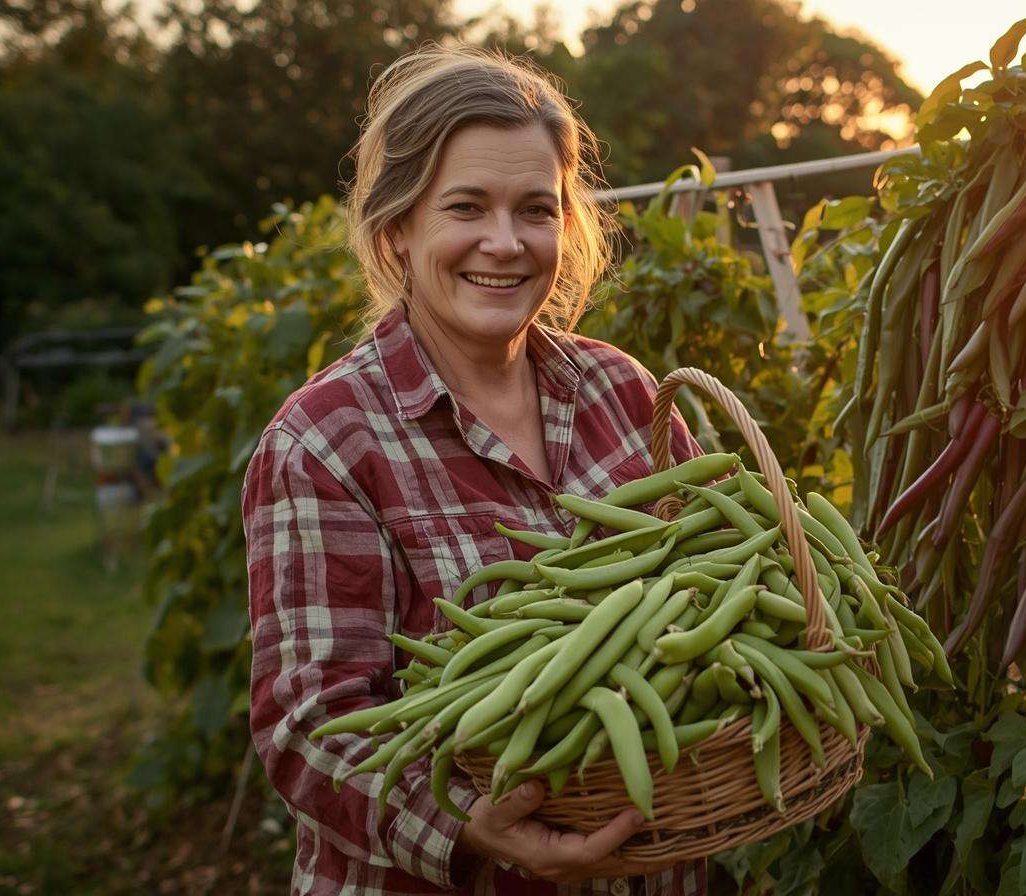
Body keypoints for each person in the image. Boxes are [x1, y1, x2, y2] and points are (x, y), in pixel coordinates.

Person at [242, 44, 708, 895]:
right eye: (466, 206)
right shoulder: (326, 441)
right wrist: (465, 828)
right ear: (399, 225)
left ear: (566, 226)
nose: (505, 242)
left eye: (536, 209)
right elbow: (308, 725)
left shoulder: (621, 388)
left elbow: (715, 580)